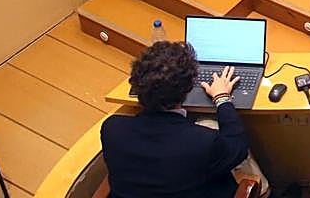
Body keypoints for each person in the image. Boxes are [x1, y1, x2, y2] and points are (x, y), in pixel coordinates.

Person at [100, 41, 267, 198]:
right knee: (209, 124)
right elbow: (237, 147)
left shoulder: (112, 128)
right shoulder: (203, 143)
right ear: (188, 88)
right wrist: (222, 97)